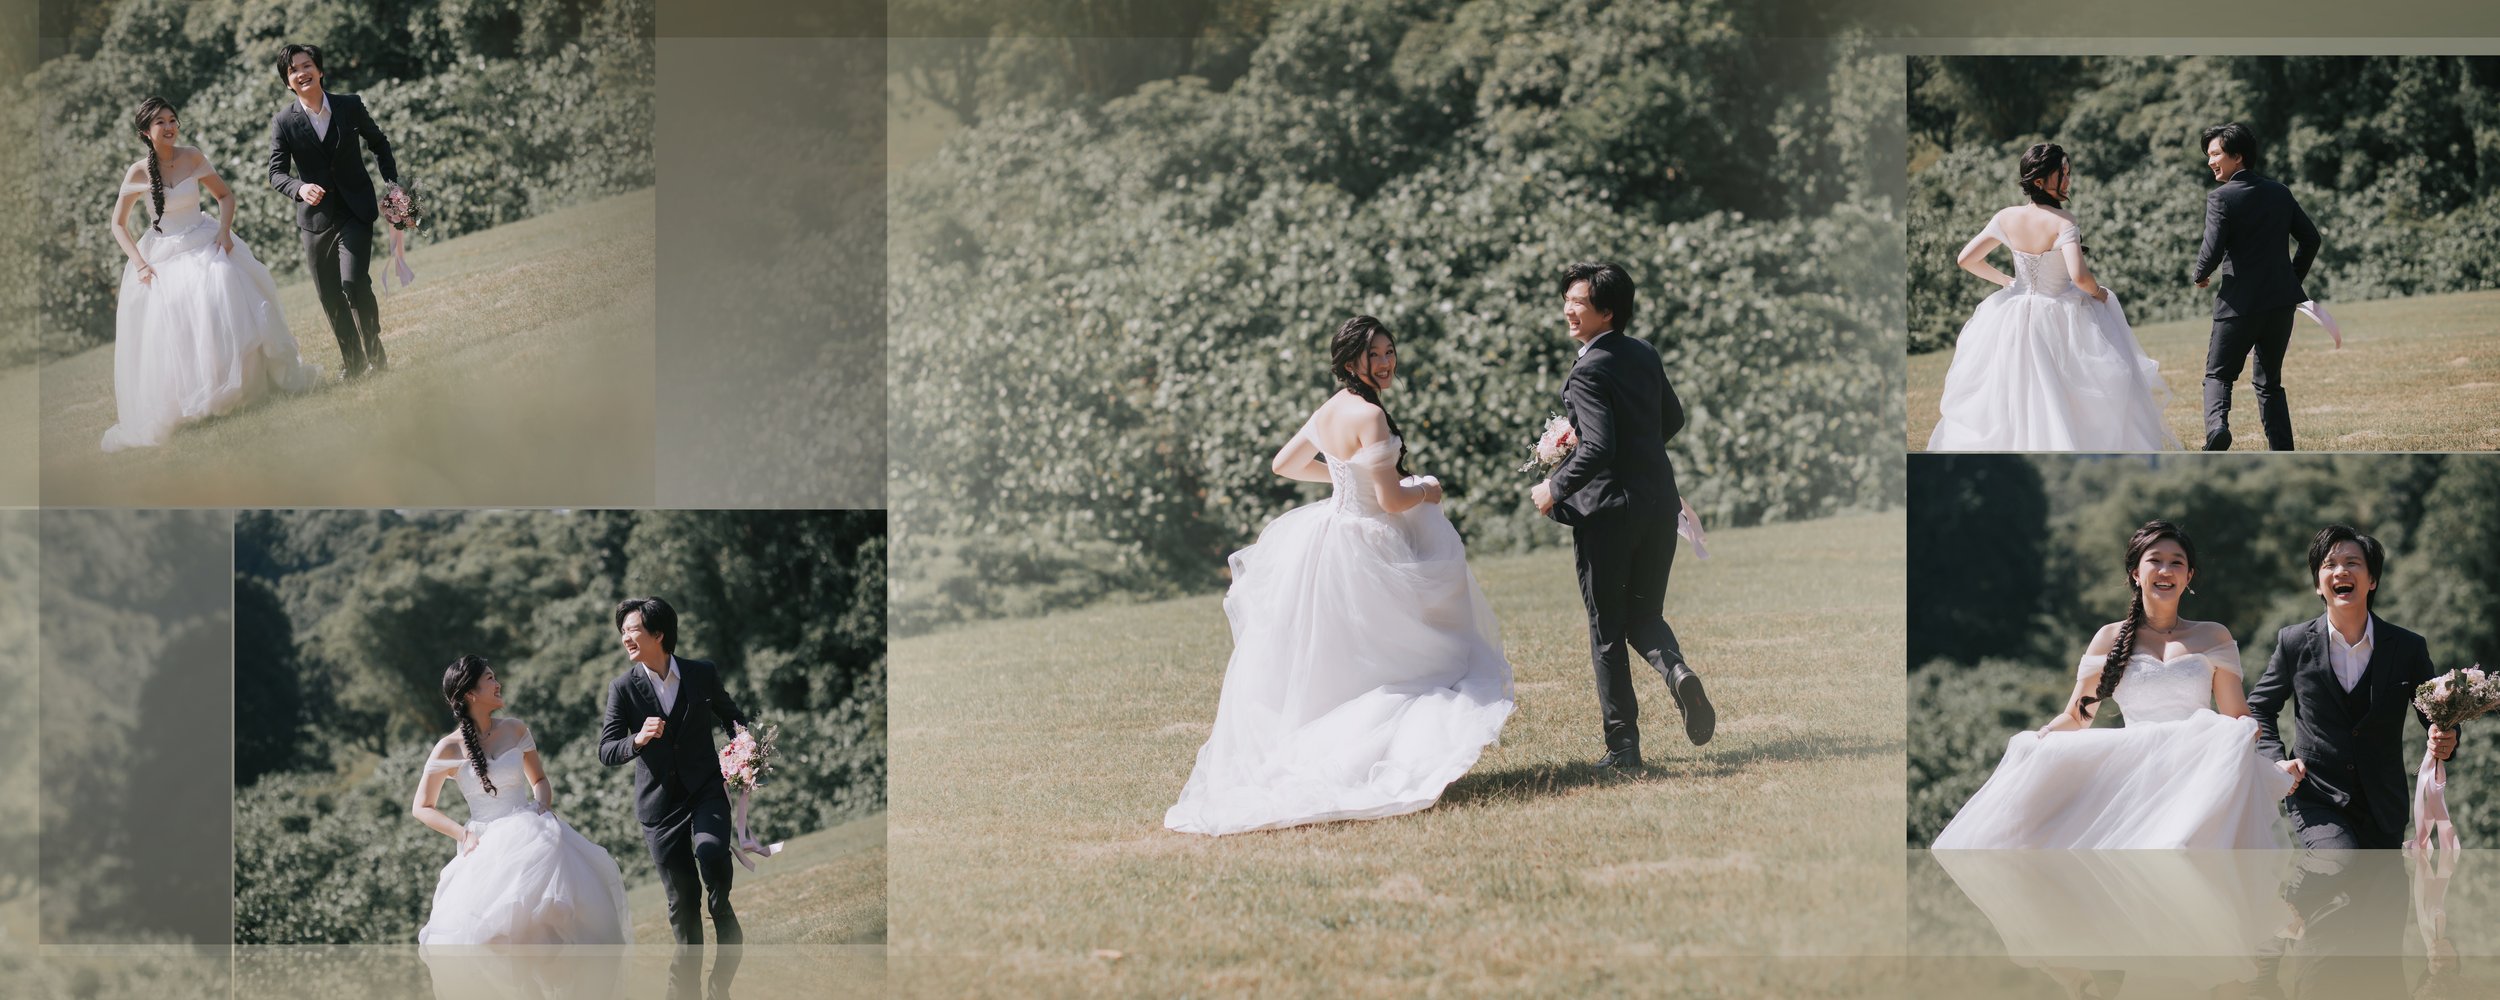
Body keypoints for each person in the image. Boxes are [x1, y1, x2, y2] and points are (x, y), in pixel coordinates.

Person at [1165, 315, 1514, 835]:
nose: (1387, 362)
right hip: (1369, 543)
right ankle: (1372, 757)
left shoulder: (1330, 408)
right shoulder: (1369, 416)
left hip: (1330, 538)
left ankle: (1331, 751)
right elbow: (1393, 500)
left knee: (1349, 659)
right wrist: (1427, 489)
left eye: (1390, 351)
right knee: (1406, 655)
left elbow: (1285, 463)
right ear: (1352, 361)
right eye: (1375, 354)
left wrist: (1343, 476)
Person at [1932, 520, 2294, 849]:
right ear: (2136, 572)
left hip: (2195, 777)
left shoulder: (2213, 635)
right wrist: (2041, 738)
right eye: (2155, 560)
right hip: (2134, 779)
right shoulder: (2108, 638)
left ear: (2189, 576)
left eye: (2176, 562)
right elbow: (2078, 716)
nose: (2165, 570)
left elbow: (2238, 718)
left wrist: (2266, 767)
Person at [1530, 261, 1713, 768]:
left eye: (1579, 302)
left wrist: (1553, 487)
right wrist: (1640, 459)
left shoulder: (1588, 368)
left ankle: (1623, 750)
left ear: (1607, 311)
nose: (1568, 308)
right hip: (1658, 506)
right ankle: (1678, 673)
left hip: (1608, 516)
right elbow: (1669, 419)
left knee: (1607, 630)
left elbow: (1600, 446)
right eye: (1567, 298)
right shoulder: (1643, 353)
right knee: (1645, 616)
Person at [102, 96, 319, 451]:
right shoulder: (138, 172)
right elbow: (118, 224)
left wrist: (224, 232)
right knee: (177, 317)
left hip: (204, 239)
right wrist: (140, 263)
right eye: (161, 122)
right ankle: (192, 399)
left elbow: (225, 196)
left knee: (223, 284)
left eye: (173, 119)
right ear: (145, 131)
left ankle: (245, 386)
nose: (170, 127)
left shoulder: (193, 156)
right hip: (164, 251)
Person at [1928, 143, 2177, 452]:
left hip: (2012, 314)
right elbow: (2080, 277)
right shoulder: (2064, 222)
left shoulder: (2006, 217)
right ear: (2038, 181)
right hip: (2059, 313)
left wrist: (2009, 282)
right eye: (2062, 174)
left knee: (2012, 389)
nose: (2068, 180)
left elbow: (1966, 259)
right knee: (2067, 388)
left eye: (2068, 173)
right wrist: (2099, 294)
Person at [2246, 525, 2456, 849]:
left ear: (2372, 580)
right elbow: (2259, 706)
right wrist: (2275, 759)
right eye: (2329, 565)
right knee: (2337, 862)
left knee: (2383, 900)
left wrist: (2446, 738)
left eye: (2352, 563)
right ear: (2318, 584)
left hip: (2383, 804)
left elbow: (2434, 713)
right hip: (2317, 797)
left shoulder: (2407, 647)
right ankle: (2301, 898)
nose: (2340, 571)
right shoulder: (2294, 642)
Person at [413, 655, 632, 945]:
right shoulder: (447, 748)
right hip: (484, 845)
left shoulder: (515, 729)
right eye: (490, 678)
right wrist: (463, 834)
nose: (498, 683)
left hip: (531, 831)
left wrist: (542, 807)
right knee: (499, 935)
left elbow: (539, 780)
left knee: (560, 916)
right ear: (470, 693)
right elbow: (422, 807)